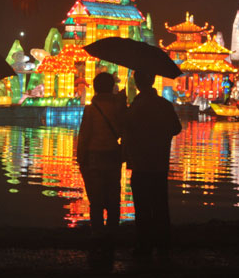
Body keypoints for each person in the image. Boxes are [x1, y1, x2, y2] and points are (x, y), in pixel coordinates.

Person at [124, 71, 181, 261]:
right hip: (159, 162)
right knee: (160, 205)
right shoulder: (164, 105)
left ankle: (144, 244)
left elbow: (126, 129)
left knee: (141, 206)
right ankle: (163, 244)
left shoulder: (136, 106)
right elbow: (176, 128)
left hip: (140, 163)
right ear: (153, 81)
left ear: (137, 83)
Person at [77, 72, 127, 271]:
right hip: (113, 156)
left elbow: (84, 135)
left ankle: (97, 234)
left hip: (94, 156)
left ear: (96, 88)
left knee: (96, 199)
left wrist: (81, 159)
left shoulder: (91, 109)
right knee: (113, 196)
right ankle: (112, 233)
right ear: (111, 87)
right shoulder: (118, 107)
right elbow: (124, 131)